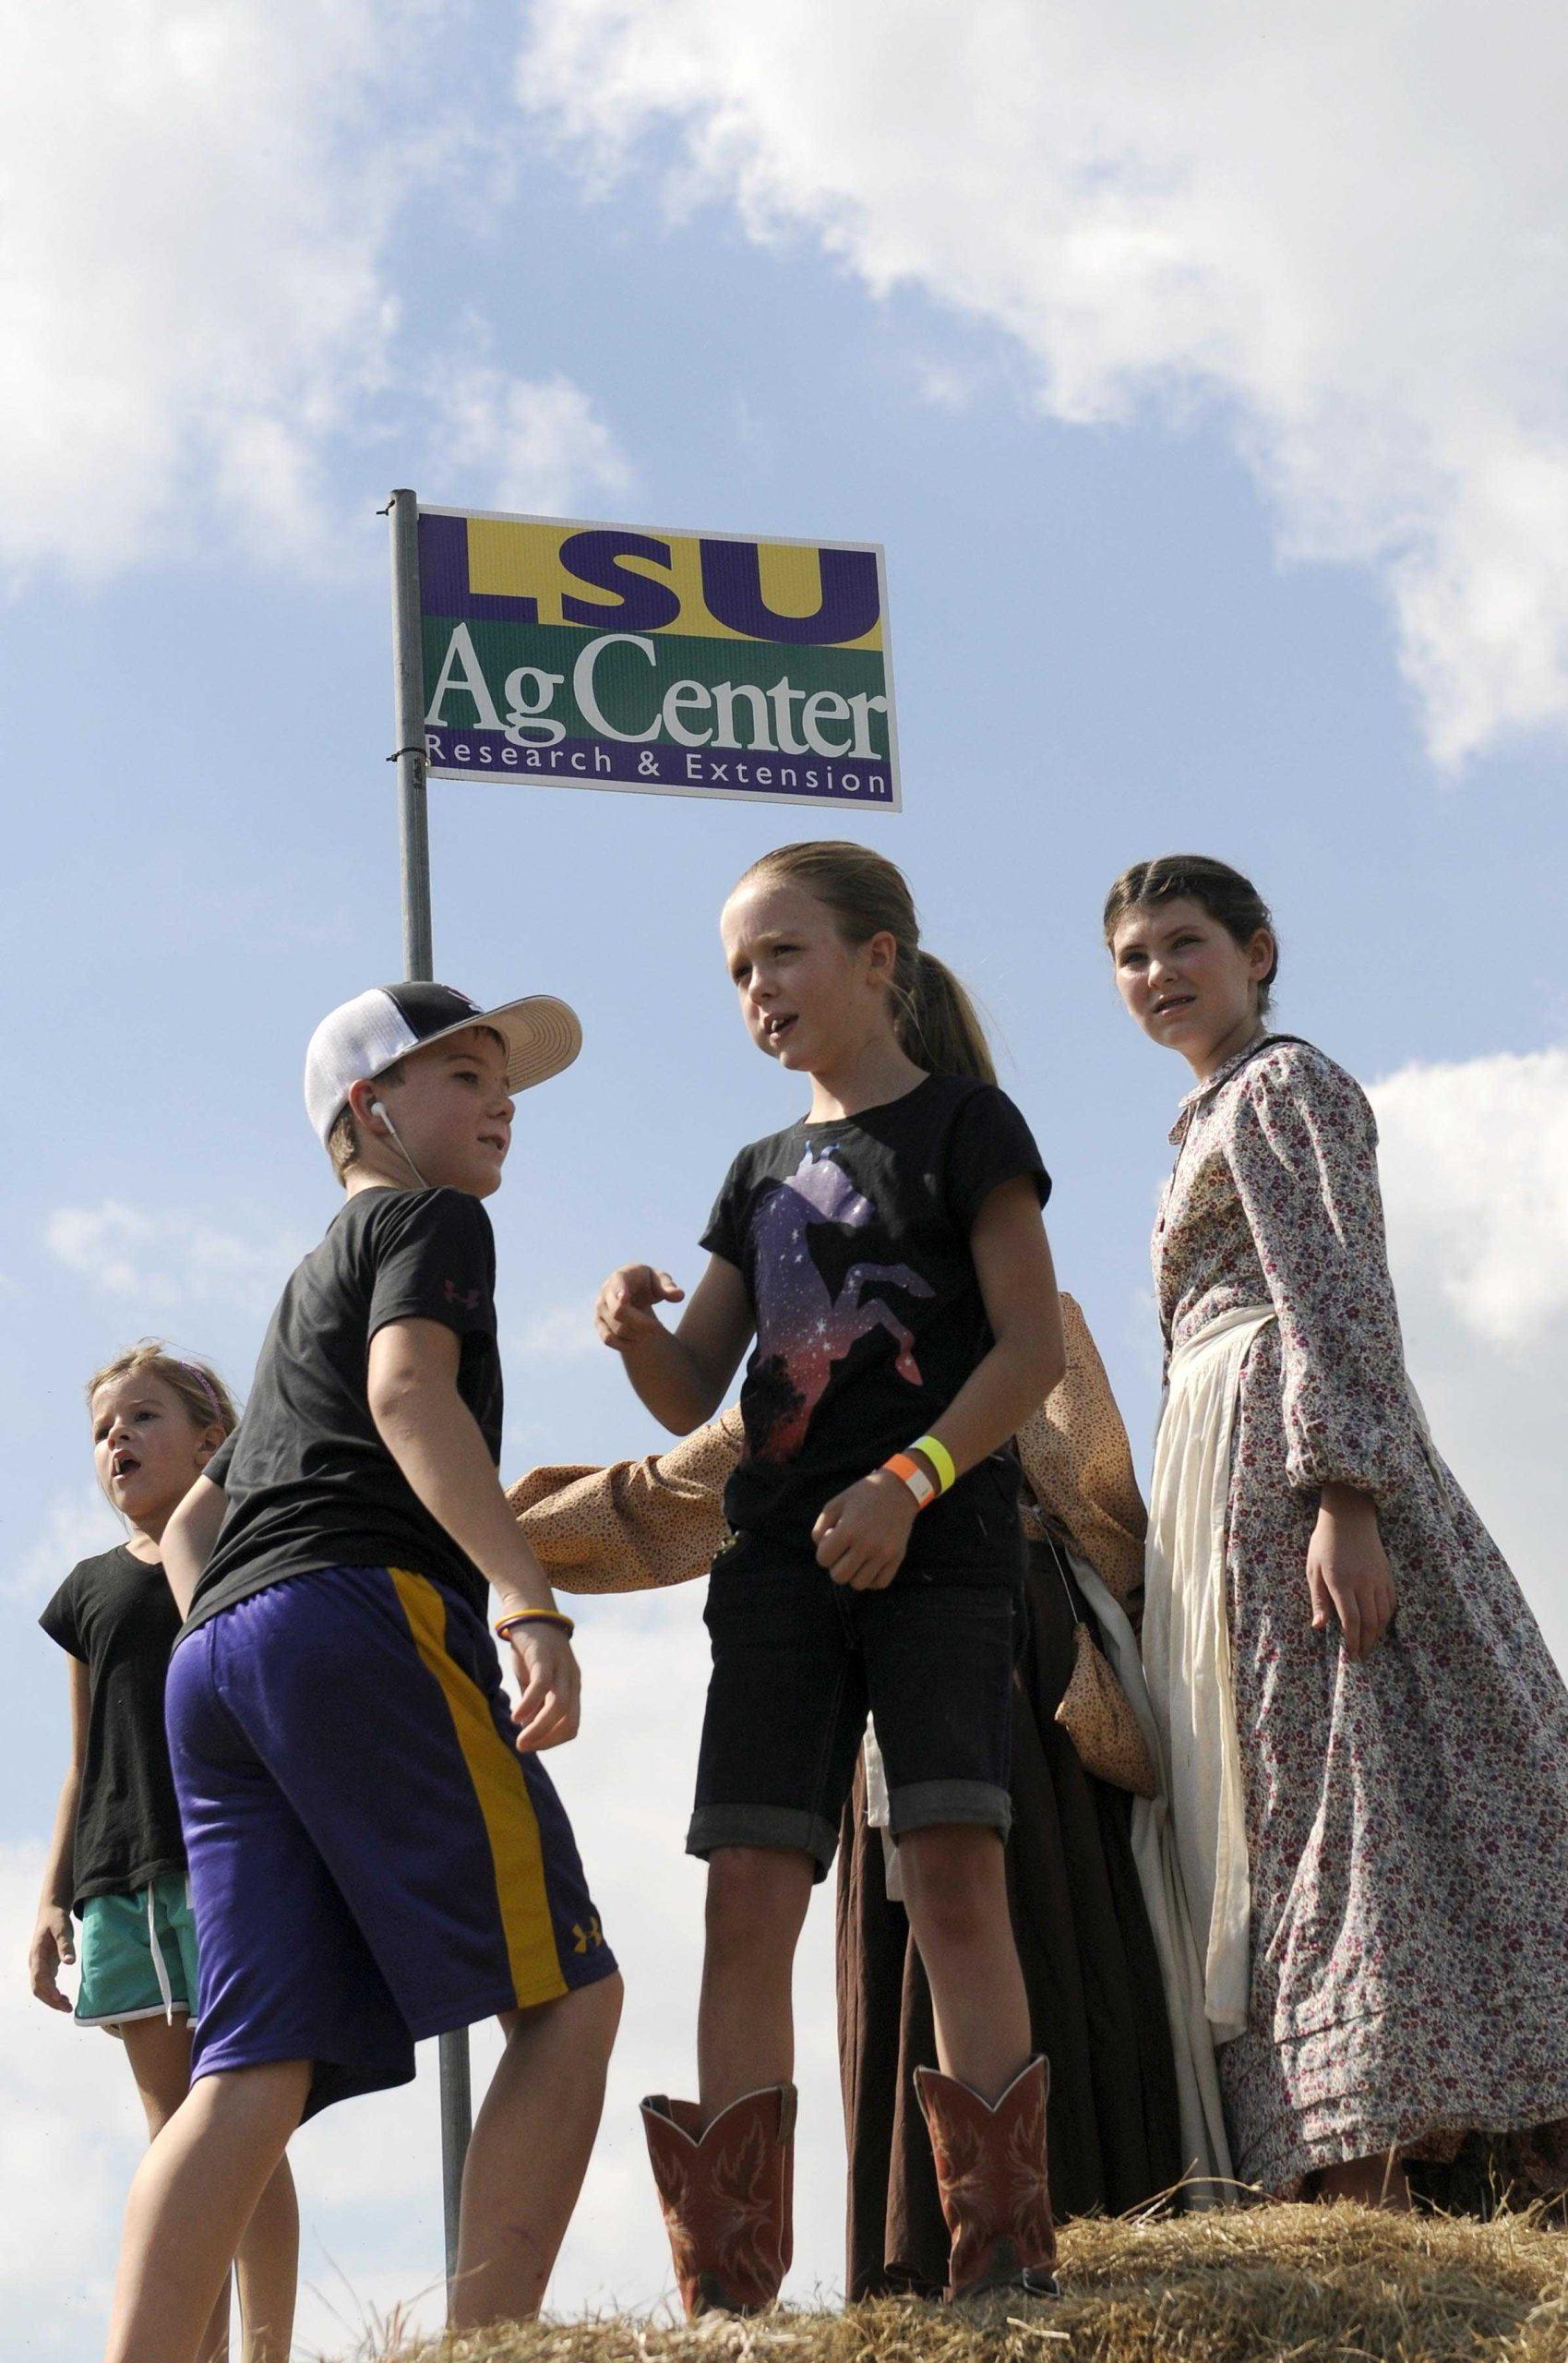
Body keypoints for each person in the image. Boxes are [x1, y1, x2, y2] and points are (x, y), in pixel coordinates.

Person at [99, 982, 623, 2363]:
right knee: (570, 1998)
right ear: (369, 1110)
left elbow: (193, 1523)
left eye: (503, 1076)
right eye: (461, 1074)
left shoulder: (301, 1287)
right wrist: (523, 1599)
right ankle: (483, 2347)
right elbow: (407, 1395)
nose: (499, 1098)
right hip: (352, 1612)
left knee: (245, 2072)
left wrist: (258, 1640)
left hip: (217, 1660)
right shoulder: (435, 1218)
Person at [510, 1292, 1205, 2302]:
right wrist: (486, 1527)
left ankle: (1027, 2260)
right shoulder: (811, 1342)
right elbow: (671, 1496)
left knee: (1039, 1938)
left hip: (1025, 1668)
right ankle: (928, 2261)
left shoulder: (1021, 1302)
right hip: (919, 1663)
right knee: (930, 1943)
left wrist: (1135, 1671)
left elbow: (1096, 1495)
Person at [594, 840, 1066, 2312]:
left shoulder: (965, 1126)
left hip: (939, 1553)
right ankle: (730, 2295)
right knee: (746, 1893)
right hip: (775, 1575)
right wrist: (628, 1334)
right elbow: (691, 1396)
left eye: (781, 954)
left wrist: (909, 1483)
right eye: (738, 971)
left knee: (949, 1880)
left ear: (880, 960)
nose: (756, 989)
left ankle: (998, 2268)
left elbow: (1031, 1352)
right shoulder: (753, 1175)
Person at [1105, 853, 1568, 2207]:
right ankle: (1331, 2156)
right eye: (1130, 959)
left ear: (1255, 952)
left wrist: (1344, 1500)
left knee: (1344, 1775)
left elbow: (1336, 1299)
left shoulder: (1281, 1086)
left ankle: (1370, 2142)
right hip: (1219, 1469)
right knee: (1278, 1786)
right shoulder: (1195, 1119)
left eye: (1182, 944)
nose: (1156, 976)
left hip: (1290, 1464)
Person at [31, 1345, 298, 2363]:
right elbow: (79, 1757)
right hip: (113, 1882)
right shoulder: (85, 1591)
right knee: (173, 2136)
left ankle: (268, 2353)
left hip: (224, 1864)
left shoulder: (241, 1551)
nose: (119, 1441)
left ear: (211, 1439)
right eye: (104, 1430)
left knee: (247, 2129)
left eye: (143, 1418)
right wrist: (51, 1895)